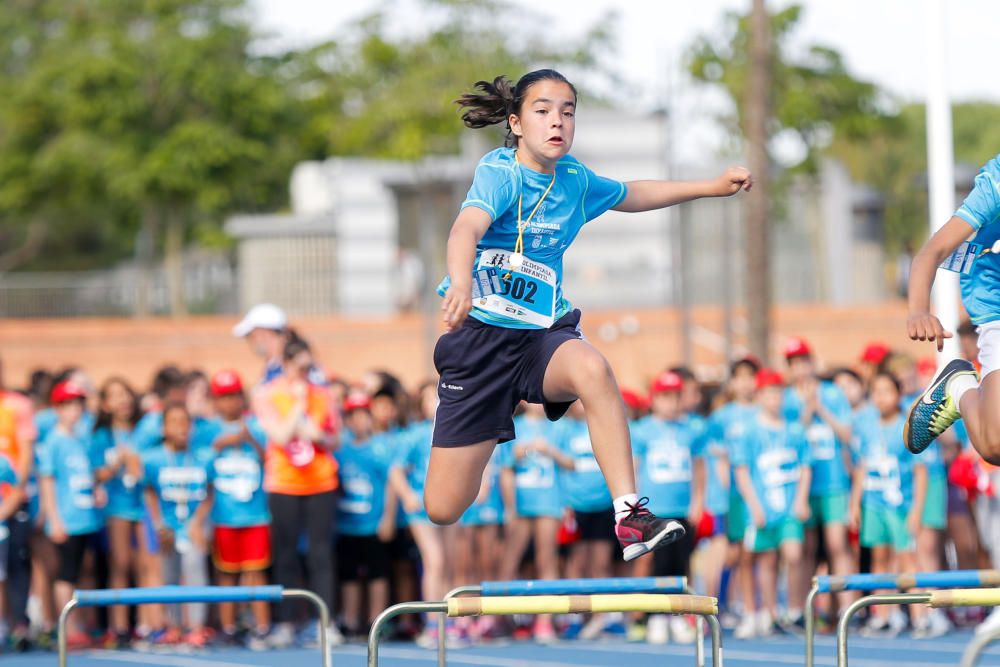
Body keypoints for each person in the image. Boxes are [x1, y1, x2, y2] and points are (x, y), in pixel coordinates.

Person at [429, 69, 752, 561]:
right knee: (444, 506)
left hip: (542, 335)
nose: (557, 121)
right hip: (480, 341)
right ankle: (487, 426)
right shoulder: (500, 173)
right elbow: (464, 230)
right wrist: (461, 282)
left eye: (568, 111)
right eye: (542, 111)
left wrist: (710, 186)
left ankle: (629, 515)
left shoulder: (576, 180)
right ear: (515, 123)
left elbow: (632, 194)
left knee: (593, 369)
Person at [904, 153, 1000, 463]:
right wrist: (919, 310)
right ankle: (958, 386)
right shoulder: (997, 184)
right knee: (995, 444)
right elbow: (932, 252)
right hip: (994, 295)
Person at [253, 338, 342, 649]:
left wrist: (317, 433)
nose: (305, 373)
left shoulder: (325, 394)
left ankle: (325, 622)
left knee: (320, 554)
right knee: (286, 554)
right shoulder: (267, 393)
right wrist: (299, 405)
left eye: (309, 366)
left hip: (320, 481)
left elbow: (333, 439)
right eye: (300, 367)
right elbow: (279, 434)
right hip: (285, 483)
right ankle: (286, 621)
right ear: (287, 365)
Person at [782, 337, 854, 629]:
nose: (800, 368)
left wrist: (820, 407)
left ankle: (848, 608)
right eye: (794, 364)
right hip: (801, 485)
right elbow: (787, 437)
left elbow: (846, 433)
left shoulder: (833, 393)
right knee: (805, 548)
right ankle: (801, 610)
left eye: (804, 361)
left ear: (812, 362)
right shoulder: (786, 398)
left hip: (834, 481)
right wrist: (807, 410)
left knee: (838, 544)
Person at [733, 369, 811, 638]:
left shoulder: (794, 429)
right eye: (768, 393)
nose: (774, 399)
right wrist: (754, 506)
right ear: (759, 396)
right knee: (765, 561)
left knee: (793, 554)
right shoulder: (750, 431)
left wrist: (801, 499)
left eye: (778, 393)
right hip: (763, 508)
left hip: (789, 508)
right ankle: (769, 611)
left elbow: (805, 466)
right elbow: (742, 471)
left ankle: (793, 607)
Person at [850, 372, 927, 638]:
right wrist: (854, 503)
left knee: (907, 558)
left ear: (898, 394)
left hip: (900, 504)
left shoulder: (909, 425)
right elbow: (862, 466)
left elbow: (920, 471)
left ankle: (920, 616)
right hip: (873, 503)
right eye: (876, 391)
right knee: (879, 557)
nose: (881, 397)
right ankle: (883, 614)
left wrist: (917, 509)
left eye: (887, 391)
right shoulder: (866, 425)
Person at [631, 371, 705, 645]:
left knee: (681, 564)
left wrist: (698, 501)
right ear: (654, 400)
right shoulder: (643, 430)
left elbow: (699, 467)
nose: (671, 403)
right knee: (657, 564)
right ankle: (655, 616)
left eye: (676, 397)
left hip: (681, 508)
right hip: (653, 509)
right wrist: (633, 504)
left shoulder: (691, 430)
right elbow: (635, 467)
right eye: (665, 397)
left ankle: (678, 614)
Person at [200, 370, 272, 650]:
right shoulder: (208, 430)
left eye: (233, 396)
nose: (229, 402)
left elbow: (269, 460)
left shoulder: (257, 426)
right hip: (224, 516)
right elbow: (199, 467)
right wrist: (221, 445)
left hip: (255, 514)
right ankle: (228, 626)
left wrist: (249, 439)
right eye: (223, 397)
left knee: (256, 572)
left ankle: (262, 626)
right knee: (227, 574)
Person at [497, 402, 572, 642]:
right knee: (510, 559)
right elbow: (505, 470)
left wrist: (550, 451)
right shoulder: (513, 427)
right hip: (521, 504)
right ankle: (499, 618)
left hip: (549, 503)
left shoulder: (560, 427)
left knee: (546, 558)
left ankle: (545, 620)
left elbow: (572, 463)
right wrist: (510, 508)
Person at [37, 380, 102, 650]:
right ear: (58, 408)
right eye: (68, 405)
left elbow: (87, 474)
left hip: (86, 515)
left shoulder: (81, 438)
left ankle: (85, 624)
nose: (74, 410)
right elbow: (48, 481)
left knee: (85, 571)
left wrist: (97, 490)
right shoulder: (54, 441)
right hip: (67, 518)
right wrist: (55, 519)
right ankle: (68, 627)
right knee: (66, 572)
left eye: (78, 404)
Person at [142, 403, 214, 648]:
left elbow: (210, 492)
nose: (181, 427)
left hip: (194, 524)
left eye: (185, 421)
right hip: (168, 526)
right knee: (169, 574)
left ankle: (196, 626)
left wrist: (198, 522)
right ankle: (173, 626)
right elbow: (150, 491)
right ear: (163, 427)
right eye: (174, 422)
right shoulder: (153, 459)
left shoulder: (203, 456)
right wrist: (159, 524)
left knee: (195, 569)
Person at [90, 377, 146, 648]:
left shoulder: (142, 429)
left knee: (145, 564)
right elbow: (96, 473)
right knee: (120, 564)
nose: (122, 400)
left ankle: (147, 624)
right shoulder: (102, 436)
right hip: (117, 506)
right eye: (114, 395)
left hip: (143, 504)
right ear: (105, 404)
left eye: (125, 393)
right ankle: (119, 625)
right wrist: (116, 464)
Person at [706, 357, 759, 629]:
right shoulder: (722, 416)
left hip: (759, 495)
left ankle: (748, 605)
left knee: (754, 552)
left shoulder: (762, 412)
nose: (746, 383)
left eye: (751, 377)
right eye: (740, 377)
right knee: (732, 552)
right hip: (732, 497)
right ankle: (719, 603)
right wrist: (726, 486)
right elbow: (715, 454)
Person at [0, 356, 36, 650]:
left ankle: (20, 625)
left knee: (16, 562)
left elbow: (25, 455)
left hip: (13, 500)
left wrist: (14, 495)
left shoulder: (17, 406)